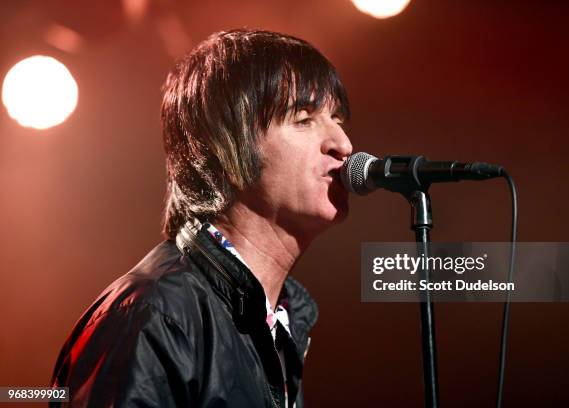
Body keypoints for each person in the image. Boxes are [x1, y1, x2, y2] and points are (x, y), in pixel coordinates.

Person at [50, 29, 352, 408]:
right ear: (225, 145)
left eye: (337, 118)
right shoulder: (154, 314)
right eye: (304, 118)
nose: (343, 144)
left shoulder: (282, 322)